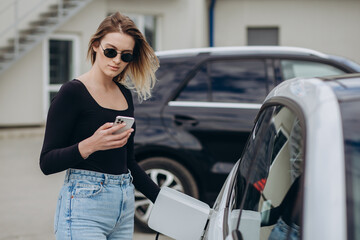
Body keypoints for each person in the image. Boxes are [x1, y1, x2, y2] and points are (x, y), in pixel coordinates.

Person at [39, 12, 160, 240]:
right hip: (83, 208)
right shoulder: (72, 93)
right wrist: (91, 145)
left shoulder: (124, 95)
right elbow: (46, 162)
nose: (117, 61)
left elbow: (129, 161)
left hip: (123, 207)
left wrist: (161, 199)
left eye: (126, 56)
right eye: (111, 51)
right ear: (96, 45)